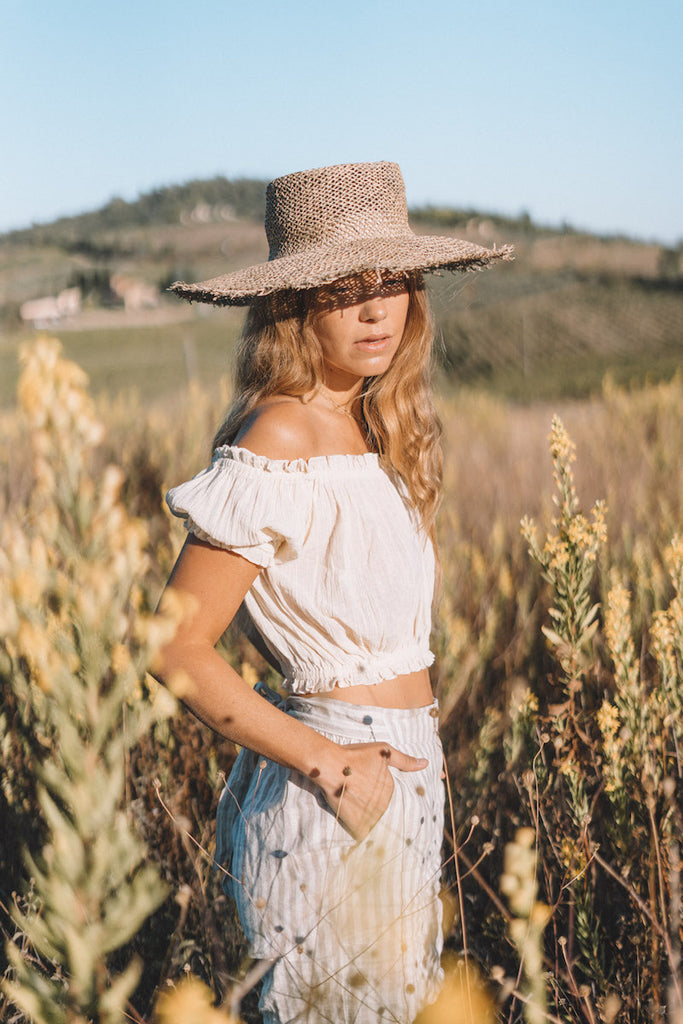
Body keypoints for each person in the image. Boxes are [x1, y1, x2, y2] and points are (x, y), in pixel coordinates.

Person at [156, 161, 511, 1023]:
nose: (375, 309)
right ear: (291, 305)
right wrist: (331, 764)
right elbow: (171, 647)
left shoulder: (366, 425)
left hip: (393, 772)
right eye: (344, 288)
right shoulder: (280, 431)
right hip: (331, 783)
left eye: (391, 282)